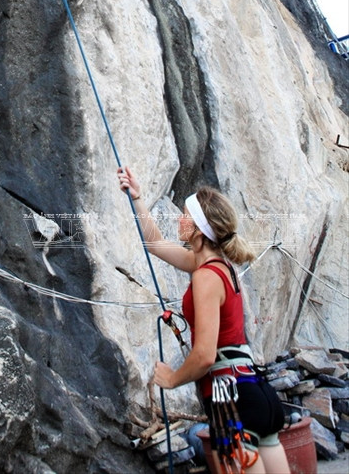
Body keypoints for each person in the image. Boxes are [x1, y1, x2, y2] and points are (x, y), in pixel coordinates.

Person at [117, 166, 290, 474]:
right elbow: (155, 244)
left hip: (230, 399)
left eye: (185, 215)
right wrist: (138, 198)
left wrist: (172, 378)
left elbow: (205, 355)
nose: (179, 219)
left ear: (198, 228)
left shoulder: (206, 277)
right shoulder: (218, 267)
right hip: (255, 392)